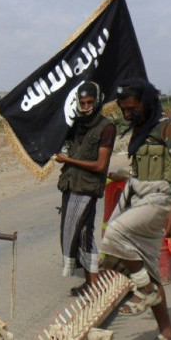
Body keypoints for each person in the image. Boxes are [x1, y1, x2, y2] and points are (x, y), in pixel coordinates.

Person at [100, 78, 171, 340]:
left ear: (145, 101)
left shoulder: (169, 123)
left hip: (162, 198)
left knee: (115, 233)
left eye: (132, 108)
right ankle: (167, 331)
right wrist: (125, 176)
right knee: (149, 268)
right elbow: (147, 165)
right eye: (124, 109)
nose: (127, 114)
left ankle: (145, 290)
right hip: (140, 194)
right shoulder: (142, 125)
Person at [54, 81, 116, 296]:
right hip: (71, 185)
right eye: (82, 103)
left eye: (90, 102)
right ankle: (91, 282)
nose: (86, 106)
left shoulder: (106, 127)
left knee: (84, 234)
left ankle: (94, 285)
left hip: (87, 189)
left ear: (98, 102)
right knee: (74, 235)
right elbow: (67, 150)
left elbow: (100, 165)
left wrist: (69, 160)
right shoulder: (76, 125)